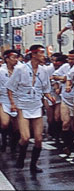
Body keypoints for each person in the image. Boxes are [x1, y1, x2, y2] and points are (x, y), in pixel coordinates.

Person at [6, 44, 53, 173]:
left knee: (38, 139)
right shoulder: (20, 69)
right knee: (25, 137)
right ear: (33, 54)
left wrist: (50, 97)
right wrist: (12, 103)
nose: (44, 56)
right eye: (41, 53)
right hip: (22, 104)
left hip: (36, 105)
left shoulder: (44, 70)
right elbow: (10, 88)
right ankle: (20, 159)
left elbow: (46, 89)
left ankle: (33, 164)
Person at [0, 50, 20, 153]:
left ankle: (13, 145)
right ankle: (3, 142)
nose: (16, 60)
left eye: (17, 57)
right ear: (7, 59)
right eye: (13, 58)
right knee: (5, 123)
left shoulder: (19, 70)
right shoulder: (1, 71)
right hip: (3, 99)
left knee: (17, 128)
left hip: (17, 99)